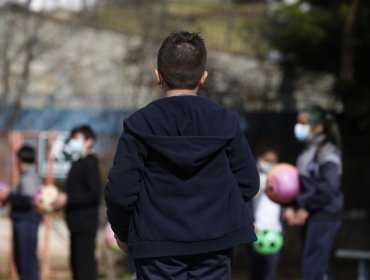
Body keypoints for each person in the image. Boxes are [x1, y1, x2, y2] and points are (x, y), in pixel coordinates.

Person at [105, 31, 260, 280]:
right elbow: (248, 181)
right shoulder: (226, 121)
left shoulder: (139, 124)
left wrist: (124, 232)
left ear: (158, 76)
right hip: (215, 243)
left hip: (156, 244)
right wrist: (219, 213)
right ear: (203, 77)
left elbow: (121, 191)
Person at [284, 106, 343, 280]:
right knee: (316, 266)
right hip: (312, 213)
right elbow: (302, 186)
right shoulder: (308, 150)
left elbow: (330, 187)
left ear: (318, 127)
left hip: (324, 214)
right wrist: (293, 206)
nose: (299, 127)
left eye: (304, 123)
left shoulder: (328, 152)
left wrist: (306, 207)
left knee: (314, 268)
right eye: (298, 123)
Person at [53, 125, 102, 280]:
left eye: (77, 138)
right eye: (72, 139)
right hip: (75, 223)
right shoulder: (76, 163)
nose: (73, 142)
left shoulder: (90, 162)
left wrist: (69, 198)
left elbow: (94, 193)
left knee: (85, 267)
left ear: (90, 141)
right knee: (76, 265)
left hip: (85, 223)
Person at [0, 145, 42, 280]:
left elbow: (28, 200)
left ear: (21, 159)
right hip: (25, 221)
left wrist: (8, 196)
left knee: (26, 260)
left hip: (26, 221)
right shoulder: (27, 175)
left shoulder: (29, 177)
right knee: (24, 259)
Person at [251, 146, 281, 280]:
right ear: (259, 158)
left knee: (270, 272)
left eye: (273, 161)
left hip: (276, 231)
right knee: (256, 271)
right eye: (267, 160)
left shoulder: (280, 180)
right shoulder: (254, 177)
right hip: (257, 229)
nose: (270, 163)